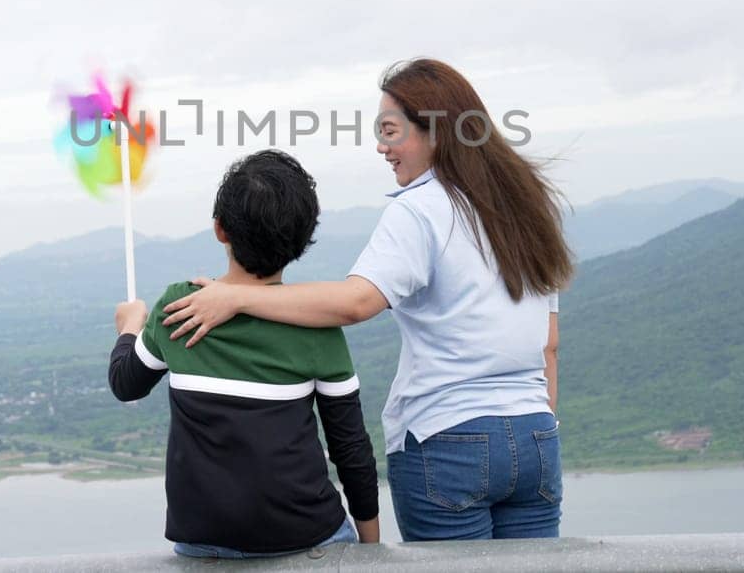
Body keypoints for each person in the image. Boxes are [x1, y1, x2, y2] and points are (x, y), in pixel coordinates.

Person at [161, 58, 572, 541]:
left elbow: (355, 303)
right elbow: (548, 344)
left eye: (392, 131)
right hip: (537, 436)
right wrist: (535, 430)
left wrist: (236, 299)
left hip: (448, 439)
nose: (382, 146)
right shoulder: (527, 205)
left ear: (436, 133)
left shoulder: (420, 209)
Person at [107, 149, 380, 558]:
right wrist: (370, 547)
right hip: (308, 537)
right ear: (304, 239)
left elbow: (125, 383)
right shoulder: (317, 325)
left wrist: (130, 324)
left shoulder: (180, 307)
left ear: (220, 229)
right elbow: (350, 449)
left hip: (204, 543)